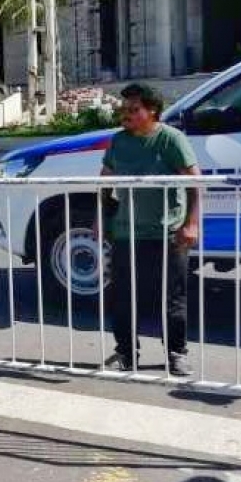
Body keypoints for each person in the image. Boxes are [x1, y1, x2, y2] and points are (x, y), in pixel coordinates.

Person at [100, 83, 199, 376]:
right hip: (126, 233)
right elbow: (105, 181)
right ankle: (126, 352)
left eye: (134, 109)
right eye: (124, 109)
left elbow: (195, 181)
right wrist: (101, 219)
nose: (126, 115)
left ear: (152, 111)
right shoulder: (118, 142)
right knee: (123, 296)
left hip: (167, 234)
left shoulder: (171, 140)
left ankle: (176, 353)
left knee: (172, 297)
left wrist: (191, 224)